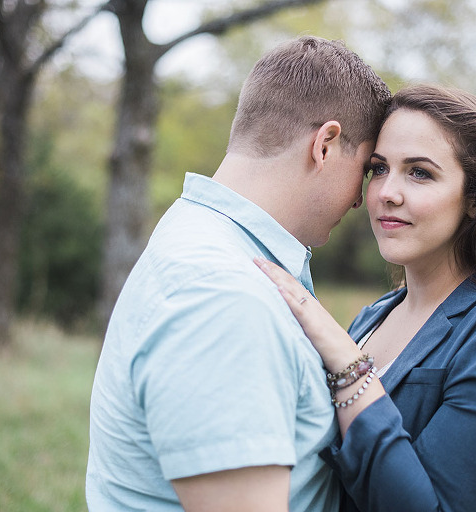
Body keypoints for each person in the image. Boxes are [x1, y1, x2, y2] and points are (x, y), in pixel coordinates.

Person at [86, 36, 392, 512]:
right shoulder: (223, 297)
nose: (360, 199)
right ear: (325, 145)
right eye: (368, 169)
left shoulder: (205, 238)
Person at [255, 83, 476, 512]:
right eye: (379, 169)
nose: (387, 192)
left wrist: (348, 365)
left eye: (419, 172)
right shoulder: (374, 316)